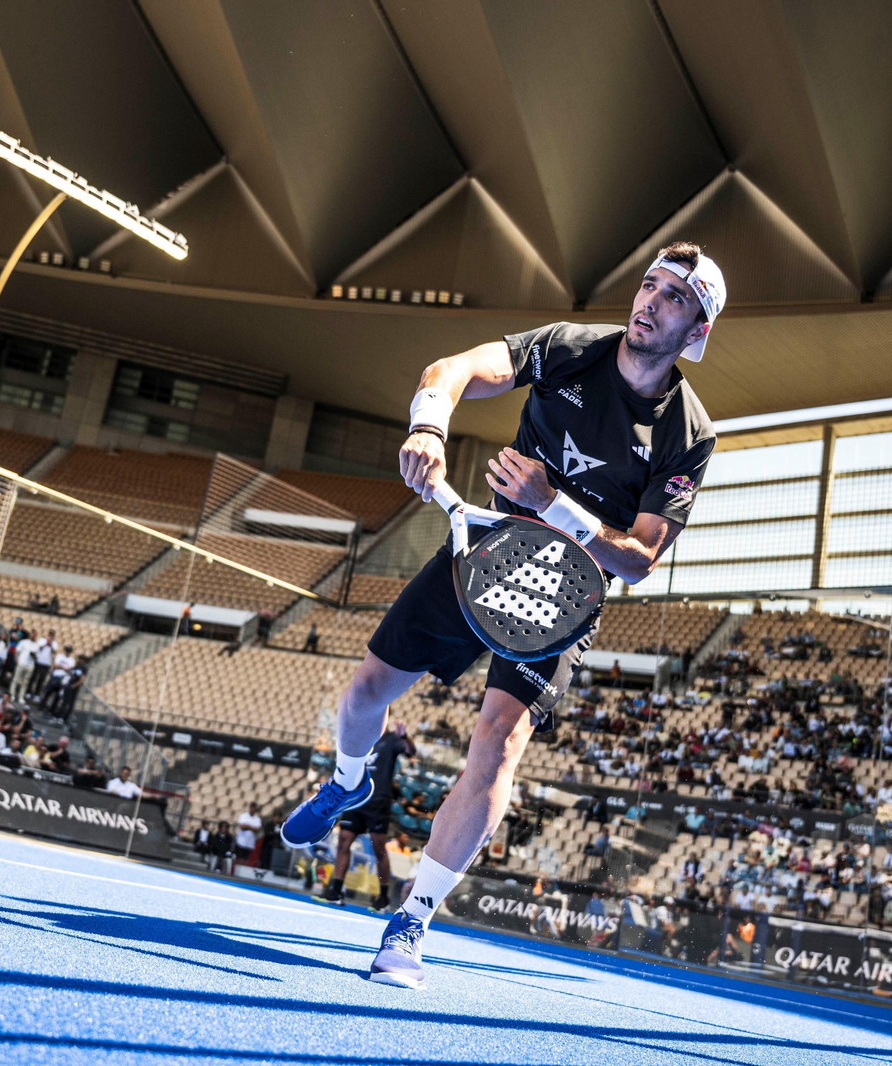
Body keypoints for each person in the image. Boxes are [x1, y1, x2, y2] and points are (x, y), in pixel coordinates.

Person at [279, 242, 723, 988]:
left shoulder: (688, 431)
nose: (651, 300)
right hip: (485, 554)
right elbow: (449, 371)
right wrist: (428, 424)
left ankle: (412, 920)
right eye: (648, 284)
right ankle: (349, 778)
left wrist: (559, 505)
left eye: (676, 297)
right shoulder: (568, 348)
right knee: (363, 696)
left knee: (500, 740)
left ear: (698, 330)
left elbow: (642, 560)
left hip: (566, 596)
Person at [319, 722, 415, 909]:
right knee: (343, 841)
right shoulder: (363, 738)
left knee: (379, 847)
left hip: (378, 799)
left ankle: (383, 897)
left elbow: (410, 752)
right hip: (355, 797)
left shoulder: (392, 739)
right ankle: (336, 890)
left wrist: (404, 736)